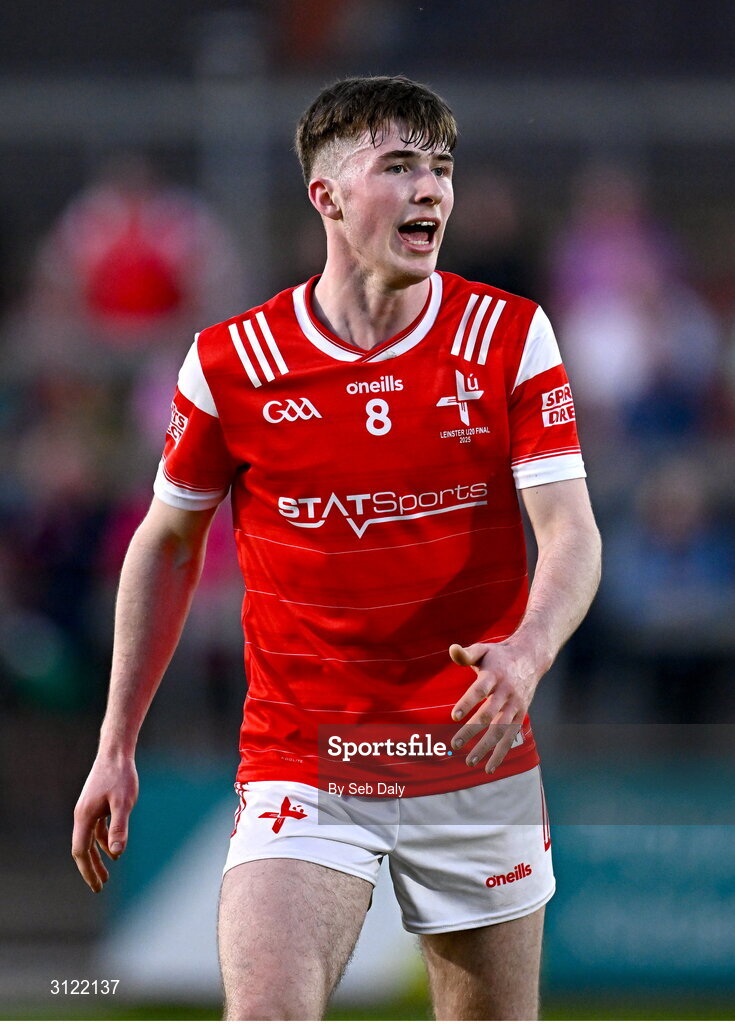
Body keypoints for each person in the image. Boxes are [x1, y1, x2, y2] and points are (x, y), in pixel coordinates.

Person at [72, 75, 601, 1021]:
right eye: (398, 167)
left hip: (471, 751)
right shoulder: (232, 361)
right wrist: (116, 741)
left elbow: (570, 531)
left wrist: (525, 653)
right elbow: (167, 543)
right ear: (326, 196)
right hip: (305, 756)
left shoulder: (508, 337)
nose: (430, 189)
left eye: (440, 167)